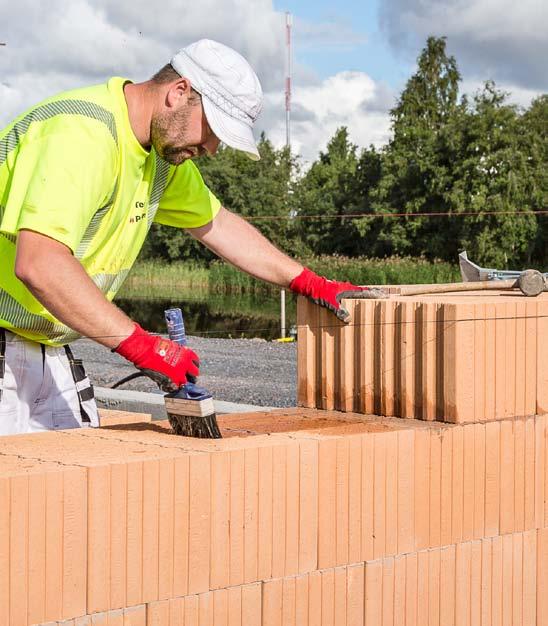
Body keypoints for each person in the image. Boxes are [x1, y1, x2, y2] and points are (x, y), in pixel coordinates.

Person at [0, 39, 384, 435]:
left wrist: (307, 281)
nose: (212, 148)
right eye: (213, 128)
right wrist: (144, 346)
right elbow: (40, 263)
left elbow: (219, 225)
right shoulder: (82, 134)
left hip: (42, 347)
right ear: (178, 91)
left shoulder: (159, 158)